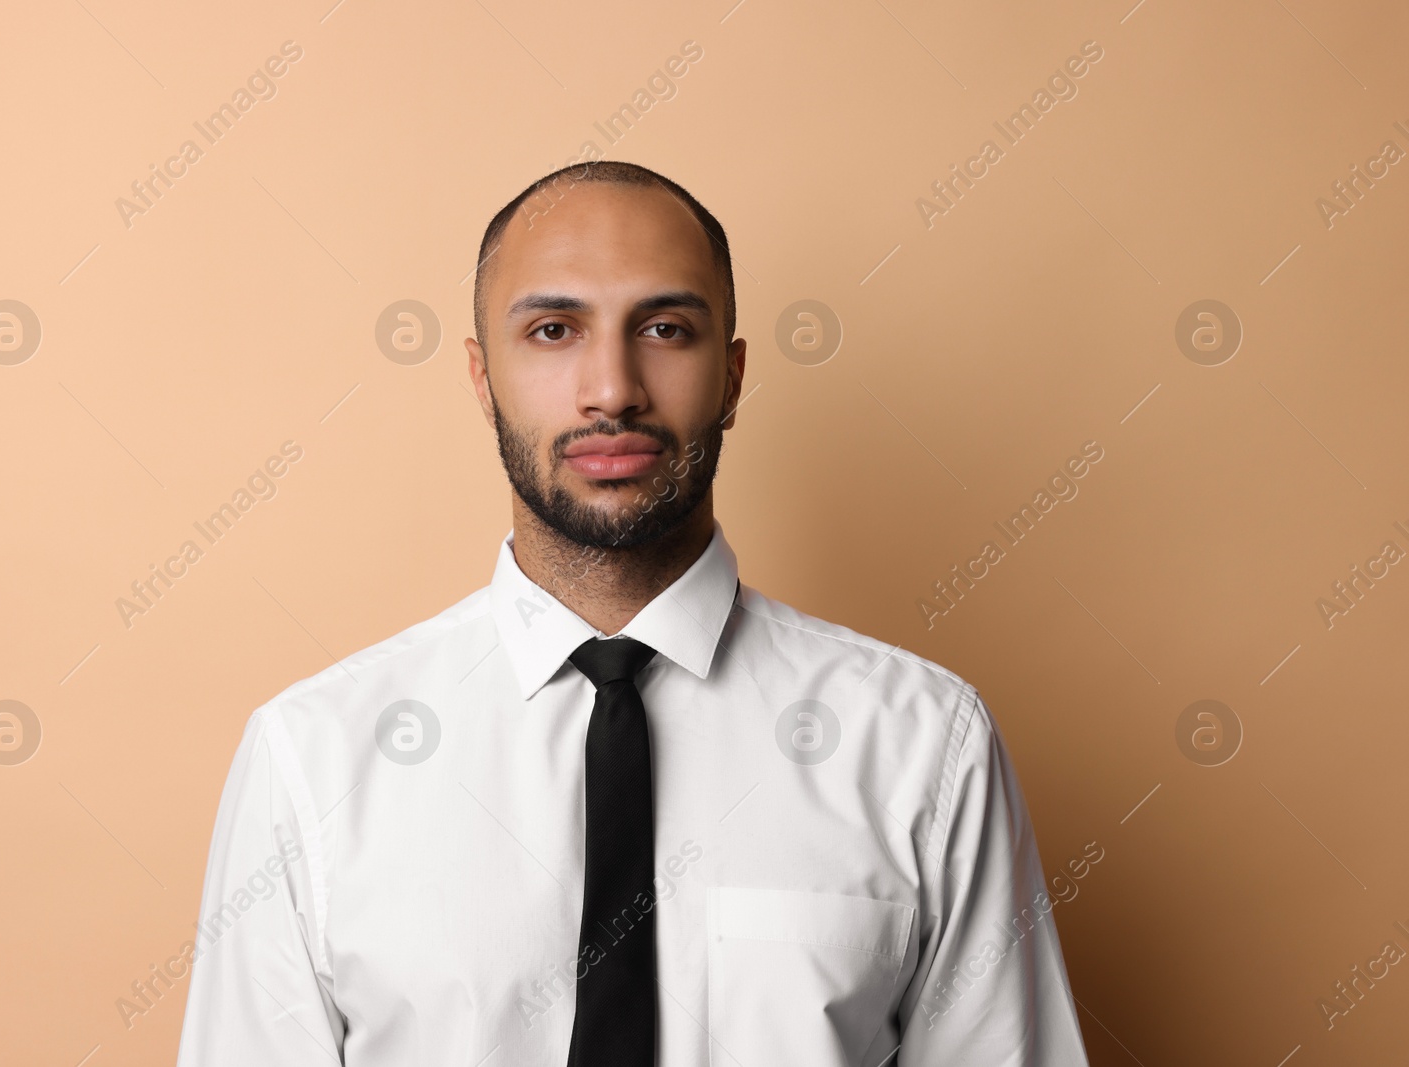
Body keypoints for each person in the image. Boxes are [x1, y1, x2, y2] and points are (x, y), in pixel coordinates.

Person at [175, 160, 1089, 1066]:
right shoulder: (313, 757)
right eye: (552, 329)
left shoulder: (925, 745)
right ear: (481, 377)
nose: (611, 388)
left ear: (732, 378)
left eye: (664, 327)